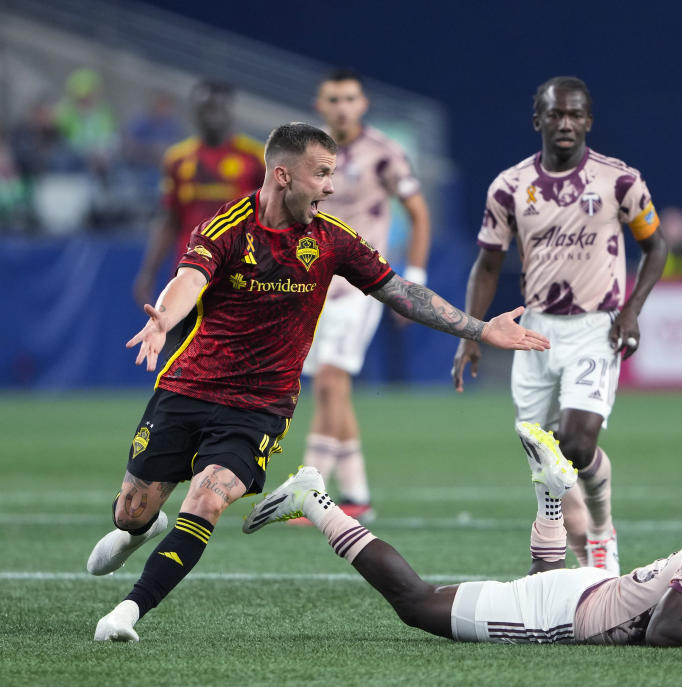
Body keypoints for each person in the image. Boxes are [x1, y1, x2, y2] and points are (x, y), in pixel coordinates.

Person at [88, 122, 550, 642]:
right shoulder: (227, 227)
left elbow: (400, 292)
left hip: (260, 406)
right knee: (130, 513)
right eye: (323, 174)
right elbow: (188, 280)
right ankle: (142, 528)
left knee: (207, 500)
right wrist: (161, 320)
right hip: (189, 387)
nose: (332, 187)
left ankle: (127, 612)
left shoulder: (333, 240)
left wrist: (481, 328)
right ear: (283, 175)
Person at [242, 437, 682, 647]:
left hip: (584, 592)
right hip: (566, 613)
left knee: (528, 581)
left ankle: (549, 497)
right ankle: (315, 499)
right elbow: (666, 632)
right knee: (416, 603)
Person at [452, 76, 668, 575]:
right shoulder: (508, 187)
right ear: (538, 121)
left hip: (596, 327)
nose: (565, 123)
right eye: (555, 115)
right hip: (535, 332)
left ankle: (602, 533)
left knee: (575, 442)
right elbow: (487, 265)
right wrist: (473, 334)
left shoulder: (620, 181)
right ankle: (579, 564)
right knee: (545, 464)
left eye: (575, 115)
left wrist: (631, 311)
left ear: (589, 121)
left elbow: (656, 247)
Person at [297, 69, 431, 522]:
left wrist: (411, 278)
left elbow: (418, 212)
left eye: (349, 98)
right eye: (333, 99)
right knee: (331, 390)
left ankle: (309, 492)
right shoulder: (304, 152)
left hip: (360, 283)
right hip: (311, 283)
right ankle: (356, 495)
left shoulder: (384, 154)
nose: (341, 106)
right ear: (320, 105)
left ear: (363, 104)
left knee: (332, 381)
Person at [132, 80, 264, 307]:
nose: (211, 116)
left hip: (238, 276)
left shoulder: (255, 158)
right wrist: (148, 272)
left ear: (230, 110)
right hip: (188, 276)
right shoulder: (177, 159)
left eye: (218, 108)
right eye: (205, 108)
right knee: (184, 342)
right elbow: (169, 220)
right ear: (195, 112)